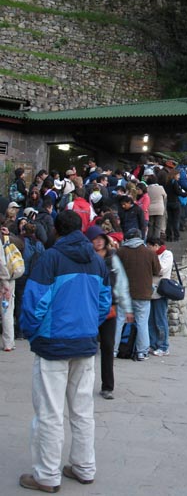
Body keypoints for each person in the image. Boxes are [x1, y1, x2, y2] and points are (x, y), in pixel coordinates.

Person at [19, 210, 111, 492]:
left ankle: (46, 475)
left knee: (49, 412)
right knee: (82, 410)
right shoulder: (97, 261)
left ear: (57, 229)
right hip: (84, 343)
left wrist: (32, 332)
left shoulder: (51, 258)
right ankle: (84, 468)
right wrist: (87, 325)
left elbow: (35, 303)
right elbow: (103, 302)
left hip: (53, 343)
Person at [85, 225, 133, 400]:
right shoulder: (86, 258)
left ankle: (107, 386)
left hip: (109, 308)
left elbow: (121, 282)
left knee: (107, 346)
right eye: (94, 239)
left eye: (100, 238)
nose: (98, 242)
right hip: (88, 308)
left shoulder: (113, 258)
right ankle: (83, 383)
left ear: (105, 240)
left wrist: (127, 307)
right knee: (86, 346)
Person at [114, 228, 160, 361]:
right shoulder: (149, 253)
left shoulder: (121, 252)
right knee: (142, 323)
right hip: (143, 293)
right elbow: (157, 271)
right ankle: (141, 352)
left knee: (119, 322)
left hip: (124, 294)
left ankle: (113, 350)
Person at [147, 238, 174, 356]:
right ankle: (153, 344)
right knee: (150, 320)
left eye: (149, 246)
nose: (148, 249)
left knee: (160, 319)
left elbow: (161, 269)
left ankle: (163, 346)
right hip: (149, 292)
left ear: (156, 245)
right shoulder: (151, 255)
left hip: (160, 292)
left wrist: (151, 266)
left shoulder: (167, 254)